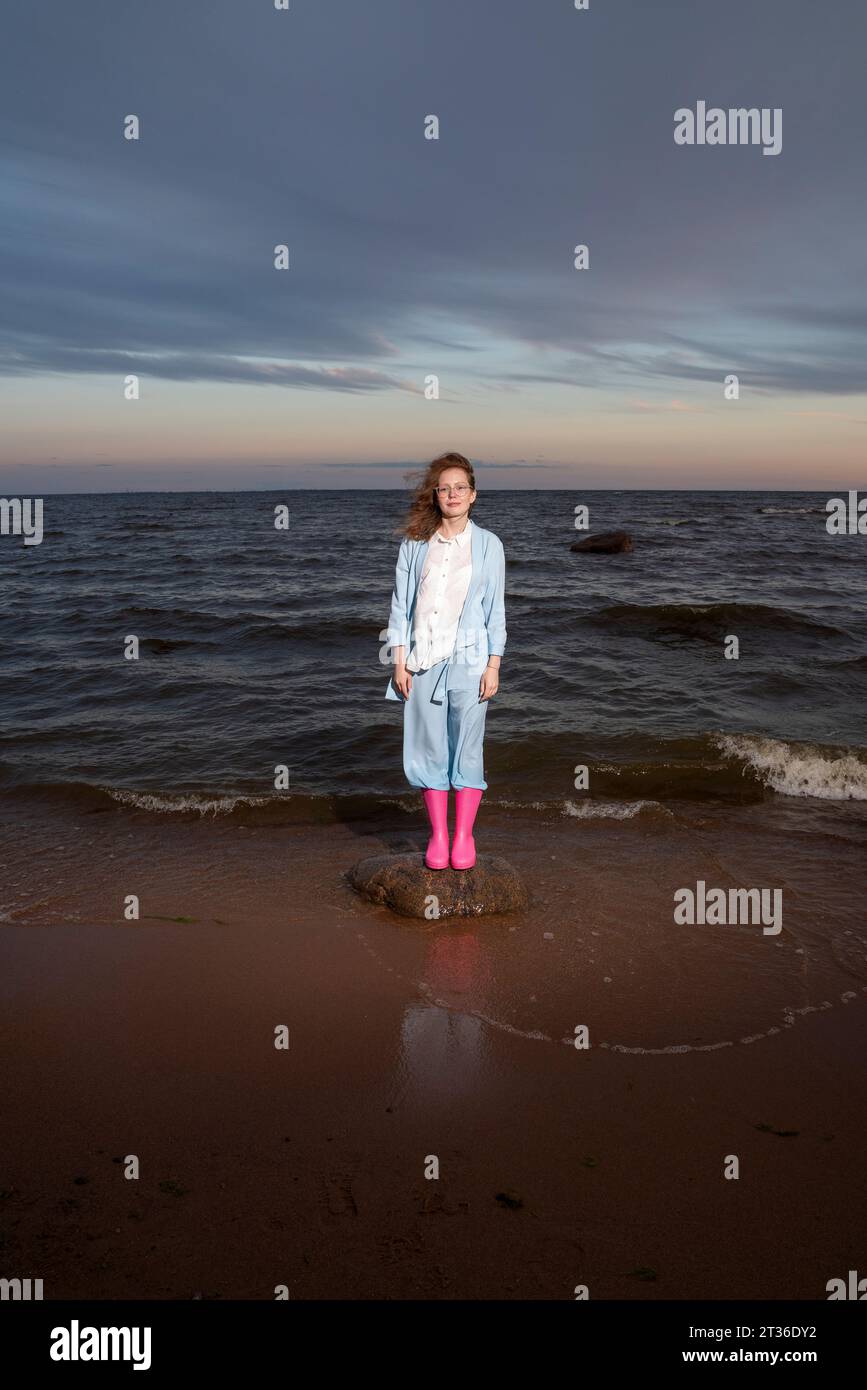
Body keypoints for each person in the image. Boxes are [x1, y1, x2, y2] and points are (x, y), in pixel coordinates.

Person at [385, 452, 506, 870]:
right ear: (435, 496)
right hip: (421, 661)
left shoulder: (489, 545)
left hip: (472, 663)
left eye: (460, 487)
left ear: (472, 495)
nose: (452, 494)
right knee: (427, 748)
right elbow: (400, 606)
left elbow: (496, 611)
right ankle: (437, 836)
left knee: (468, 749)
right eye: (444, 488)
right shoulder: (415, 544)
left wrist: (494, 664)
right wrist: (399, 662)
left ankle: (463, 837)